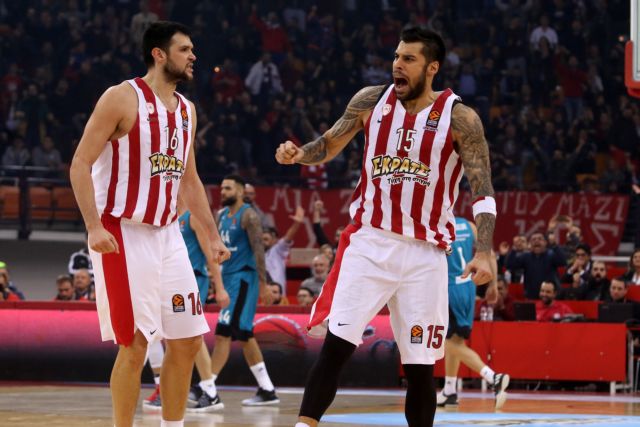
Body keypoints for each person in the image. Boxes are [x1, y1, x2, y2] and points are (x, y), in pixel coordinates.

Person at [276, 26, 496, 427]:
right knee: (336, 348)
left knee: (419, 369)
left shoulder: (460, 118)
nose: (397, 65)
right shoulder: (370, 101)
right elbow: (328, 144)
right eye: (396, 56)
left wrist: (484, 250)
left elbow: (482, 188)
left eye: (408, 59)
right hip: (370, 243)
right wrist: (298, 155)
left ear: (432, 67)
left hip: (425, 254)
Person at [69, 22, 229, 427]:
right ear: (159, 54)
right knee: (135, 343)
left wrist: (212, 235)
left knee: (188, 340)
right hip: (122, 231)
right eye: (184, 49)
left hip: (169, 234)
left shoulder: (188, 110)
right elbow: (80, 163)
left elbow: (189, 180)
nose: (193, 56)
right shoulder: (121, 98)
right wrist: (93, 226)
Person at [194, 174, 279, 408]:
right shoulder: (221, 216)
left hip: (244, 278)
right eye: (222, 188)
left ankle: (207, 386)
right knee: (243, 333)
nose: (223, 192)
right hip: (228, 277)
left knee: (225, 332)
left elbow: (259, 250)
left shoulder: (249, 215)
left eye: (228, 188)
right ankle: (267, 389)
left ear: (240, 191)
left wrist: (263, 284)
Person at [143, 207, 230, 412]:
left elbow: (211, 255)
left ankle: (210, 391)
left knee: (189, 334)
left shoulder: (192, 217)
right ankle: (166, 389)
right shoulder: (162, 213)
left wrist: (219, 287)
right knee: (160, 334)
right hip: (164, 280)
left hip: (190, 280)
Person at [436, 217, 509, 409]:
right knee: (456, 341)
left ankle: (493, 377)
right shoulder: (469, 226)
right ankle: (449, 390)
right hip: (468, 287)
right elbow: (489, 254)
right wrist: (493, 285)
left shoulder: (436, 224)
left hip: (449, 287)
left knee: (443, 341)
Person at [504, 232, 566, 299]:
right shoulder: (526, 256)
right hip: (531, 296)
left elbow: (562, 261)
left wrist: (554, 245)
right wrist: (514, 250)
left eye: (540, 239)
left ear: (545, 243)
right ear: (530, 244)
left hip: (550, 296)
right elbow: (509, 265)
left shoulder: (551, 254)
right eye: (533, 239)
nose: (536, 241)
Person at [262, 206, 305, 294]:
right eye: (261, 239)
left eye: (266, 239)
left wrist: (296, 224)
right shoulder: (254, 255)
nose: (263, 242)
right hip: (262, 296)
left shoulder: (277, 250)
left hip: (279, 296)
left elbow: (287, 238)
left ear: (274, 240)